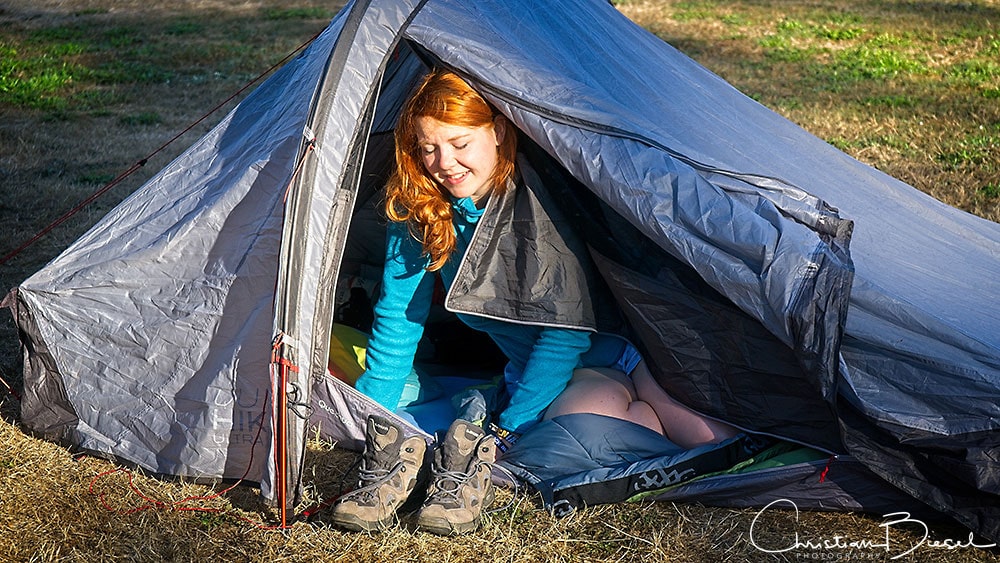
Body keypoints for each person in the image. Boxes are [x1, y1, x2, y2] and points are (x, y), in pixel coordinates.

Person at [331, 69, 736, 535]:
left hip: (630, 350)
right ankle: (642, 420)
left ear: (498, 132)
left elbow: (564, 332)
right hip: (576, 377)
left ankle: (652, 415)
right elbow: (399, 321)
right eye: (429, 148)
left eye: (460, 144)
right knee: (595, 432)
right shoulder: (421, 210)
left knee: (717, 441)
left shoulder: (538, 201)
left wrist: (510, 426)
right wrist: (372, 419)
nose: (444, 162)